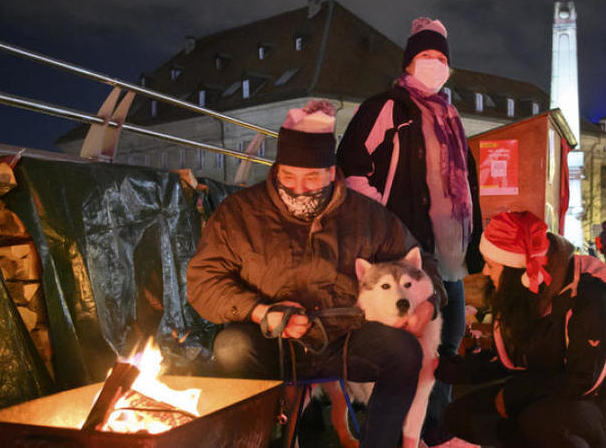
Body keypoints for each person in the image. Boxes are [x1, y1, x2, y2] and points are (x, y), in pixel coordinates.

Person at [187, 100, 446, 448]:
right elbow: (204, 282)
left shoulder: (366, 216)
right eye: (289, 176)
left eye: (311, 178)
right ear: (277, 168)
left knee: (403, 353)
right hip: (270, 339)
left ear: (331, 172)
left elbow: (422, 263)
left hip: (344, 337)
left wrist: (428, 303)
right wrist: (262, 311)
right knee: (230, 346)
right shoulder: (239, 213)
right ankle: (255, 440)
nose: (299, 188)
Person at [337, 17, 482, 447]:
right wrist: (380, 225)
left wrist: (473, 244)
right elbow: (354, 164)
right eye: (425, 56)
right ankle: (401, 431)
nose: (434, 64)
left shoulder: (451, 116)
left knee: (447, 344)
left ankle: (434, 431)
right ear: (409, 61)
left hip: (449, 256)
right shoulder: (388, 107)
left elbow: (466, 187)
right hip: (407, 254)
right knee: (407, 349)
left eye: (441, 58)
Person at [437, 211, 606, 448]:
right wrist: (443, 367)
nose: (484, 272)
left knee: (539, 422)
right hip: (548, 393)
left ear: (516, 269)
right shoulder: (522, 295)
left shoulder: (588, 296)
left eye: (491, 265)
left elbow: (583, 380)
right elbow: (509, 357)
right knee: (459, 416)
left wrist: (515, 393)